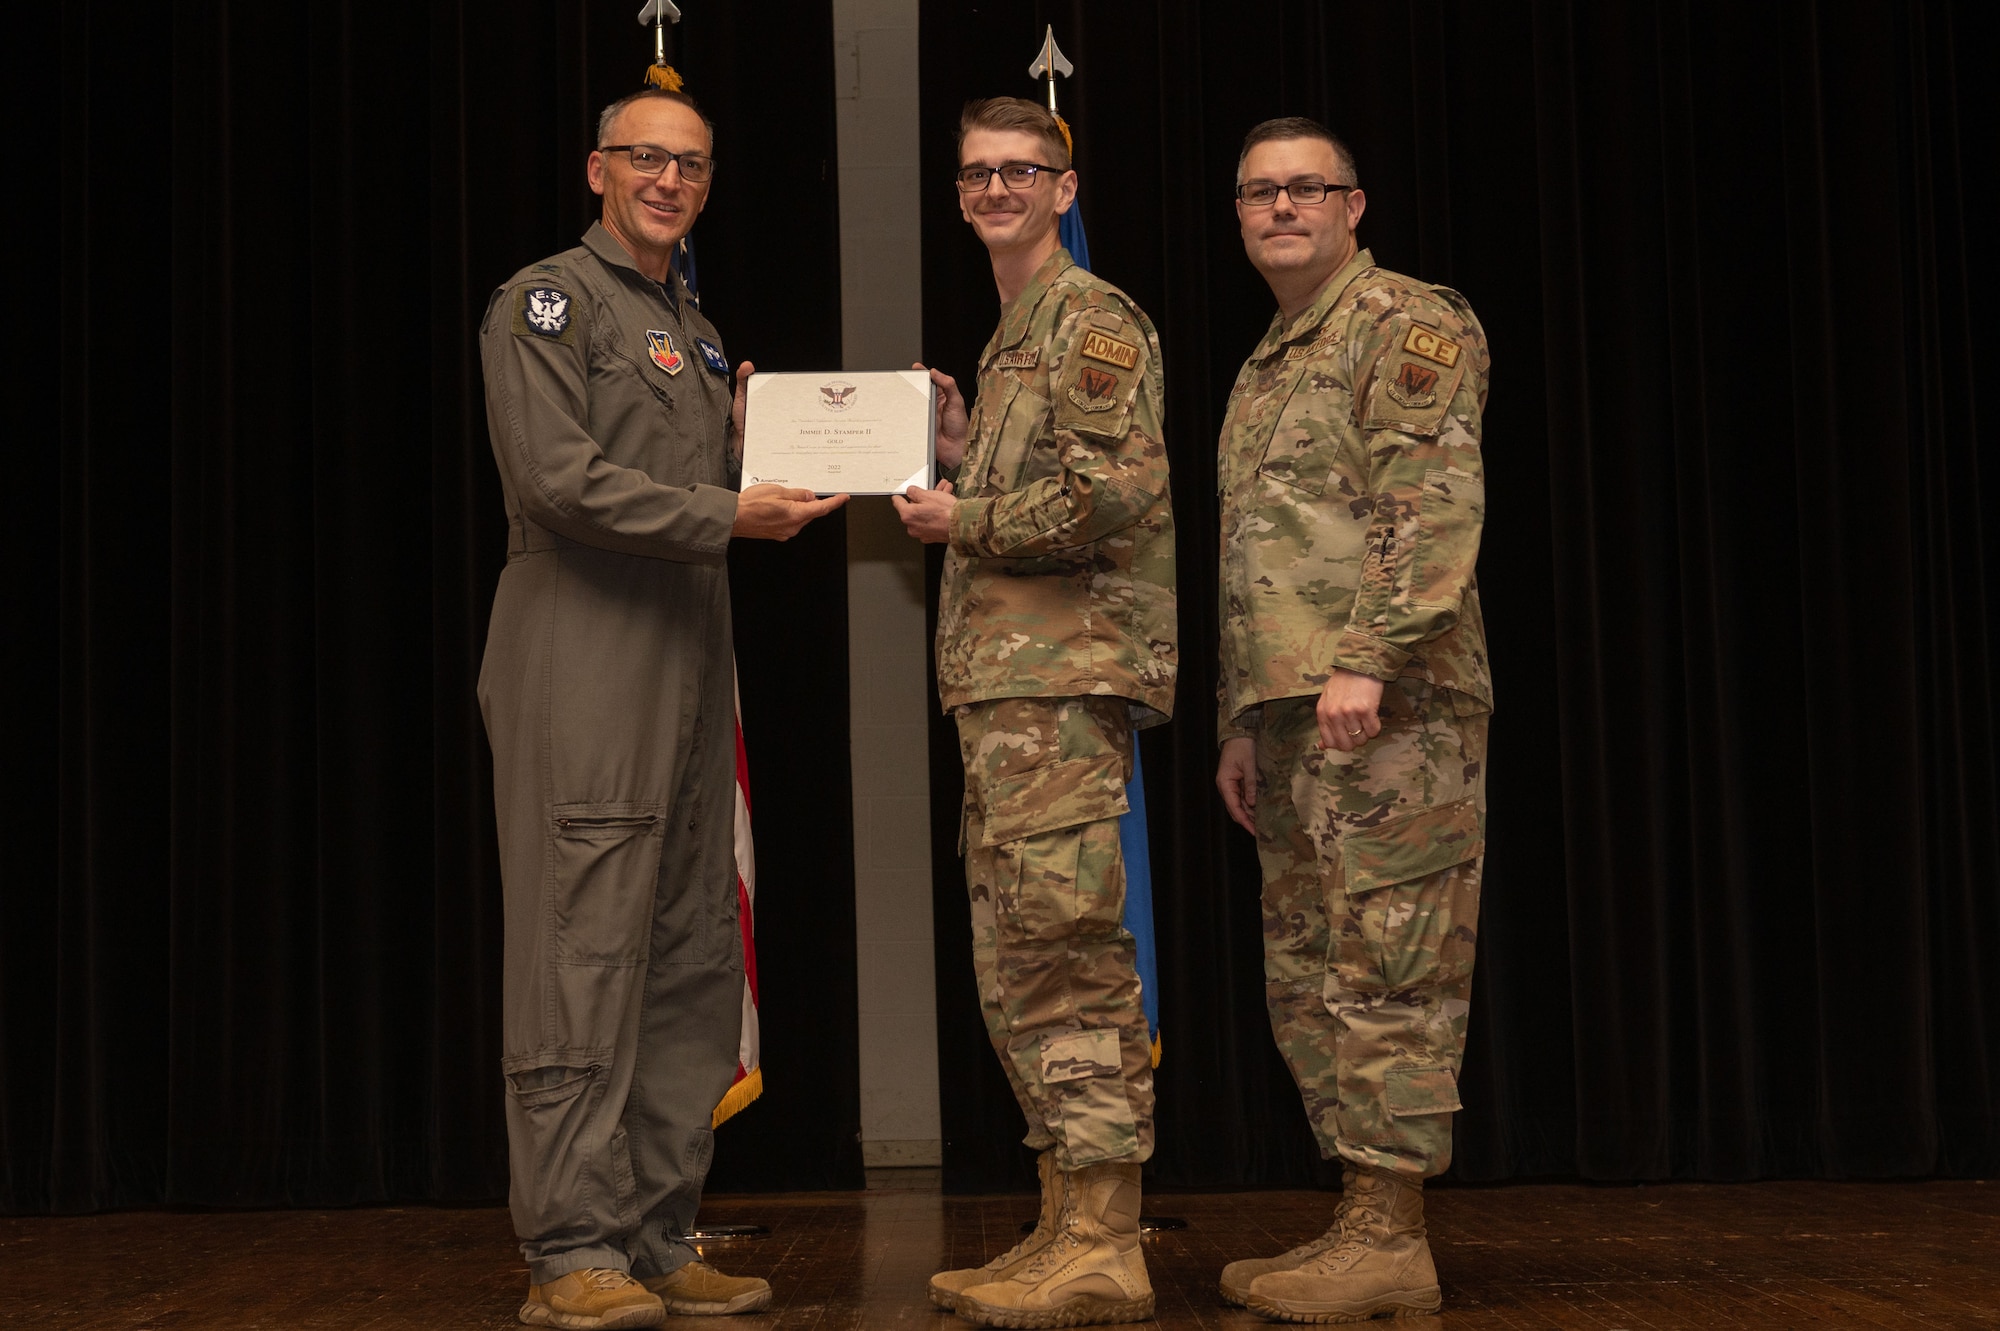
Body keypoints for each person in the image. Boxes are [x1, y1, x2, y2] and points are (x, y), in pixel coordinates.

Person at [478, 87, 845, 1330]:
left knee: (685, 947)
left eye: (688, 164)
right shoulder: (547, 302)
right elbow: (559, 478)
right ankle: (567, 1248)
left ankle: (648, 1232)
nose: (667, 179)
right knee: (581, 949)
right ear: (597, 169)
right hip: (584, 654)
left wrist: (746, 451)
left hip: (688, 657)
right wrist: (723, 511)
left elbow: (687, 482)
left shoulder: (686, 322)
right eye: (645, 157)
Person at [894, 96, 1177, 1329]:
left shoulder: (1091, 319)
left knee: (1065, 953)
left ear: (1064, 189)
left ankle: (1107, 1238)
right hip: (1009, 694)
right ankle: (1064, 1219)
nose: (996, 188)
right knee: (1018, 959)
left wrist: (967, 517)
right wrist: (960, 451)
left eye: (1020, 170)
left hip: (1060, 688)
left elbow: (1112, 496)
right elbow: (1033, 487)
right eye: (975, 174)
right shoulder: (1015, 337)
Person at [1211, 116, 1493, 1324]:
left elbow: (1424, 500)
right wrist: (1240, 714)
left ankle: (1390, 1234)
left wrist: (1368, 659)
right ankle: (1361, 1224)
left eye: (1304, 190)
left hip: (1391, 708)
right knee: (1313, 971)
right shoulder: (1272, 356)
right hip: (1292, 713)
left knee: (1388, 960)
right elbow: (1257, 557)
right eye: (1258, 193)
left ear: (1352, 205)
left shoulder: (1403, 322)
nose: (1280, 209)